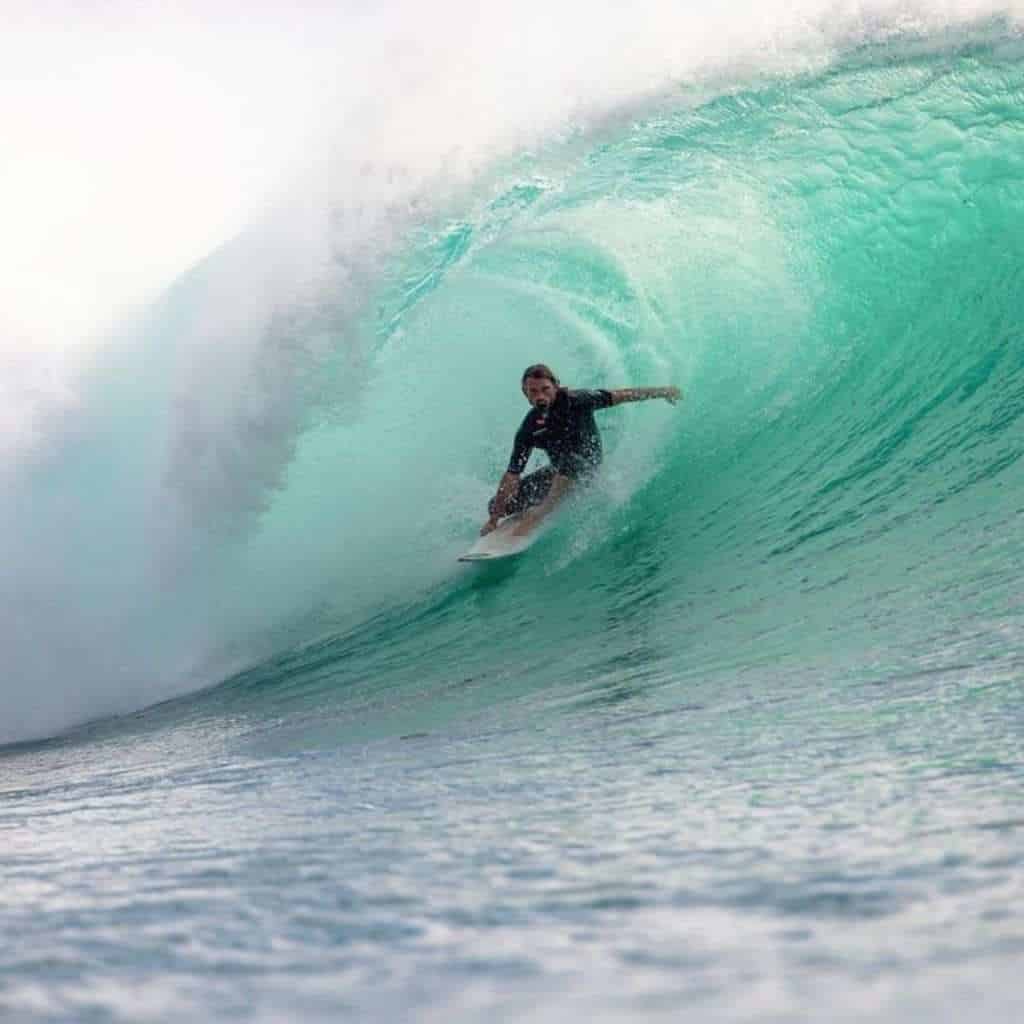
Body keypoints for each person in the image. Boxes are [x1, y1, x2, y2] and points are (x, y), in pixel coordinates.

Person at [482, 364, 682, 536]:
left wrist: (662, 391)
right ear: (525, 394)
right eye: (533, 392)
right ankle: (526, 509)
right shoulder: (529, 428)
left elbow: (621, 396)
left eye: (545, 389)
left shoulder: (578, 400)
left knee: (568, 461)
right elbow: (512, 475)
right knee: (497, 505)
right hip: (559, 473)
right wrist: (493, 519)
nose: (540, 396)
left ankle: (541, 513)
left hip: (588, 468)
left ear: (556, 386)